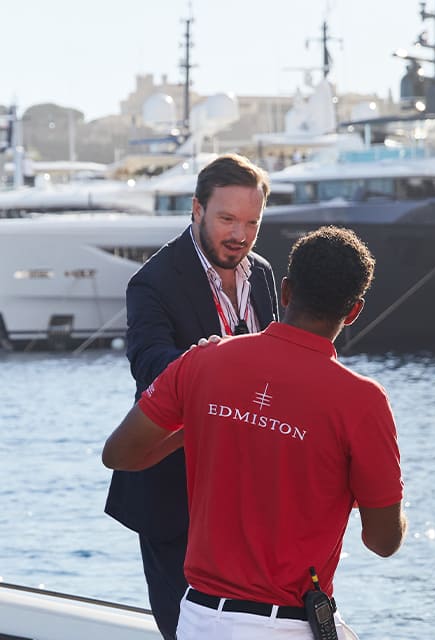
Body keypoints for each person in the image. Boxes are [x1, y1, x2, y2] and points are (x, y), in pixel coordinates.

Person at [102, 226, 407, 640]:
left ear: (284, 291)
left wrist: (201, 425)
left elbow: (119, 454)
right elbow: (383, 541)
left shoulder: (203, 361)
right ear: (354, 311)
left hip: (196, 618)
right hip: (286, 625)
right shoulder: (363, 401)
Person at [104, 153, 280, 640]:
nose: (240, 235)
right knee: (185, 631)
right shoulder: (151, 282)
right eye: (227, 219)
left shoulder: (261, 272)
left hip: (247, 499)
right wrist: (209, 364)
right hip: (173, 498)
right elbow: (149, 367)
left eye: (252, 222)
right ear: (197, 210)